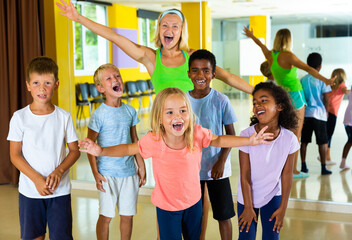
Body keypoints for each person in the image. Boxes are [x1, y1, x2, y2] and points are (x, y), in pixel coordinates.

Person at [79, 87, 273, 240]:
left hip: (193, 203)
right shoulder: (154, 140)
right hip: (166, 208)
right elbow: (129, 149)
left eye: (182, 111)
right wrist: (101, 151)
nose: (177, 116)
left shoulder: (196, 134)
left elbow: (219, 140)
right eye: (170, 112)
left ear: (189, 113)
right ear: (160, 119)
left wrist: (250, 141)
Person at [56, 0, 254, 95]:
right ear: (159, 29)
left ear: (181, 31)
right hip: (164, 126)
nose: (169, 29)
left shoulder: (193, 57)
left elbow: (227, 77)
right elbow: (114, 36)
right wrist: (78, 18)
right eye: (164, 25)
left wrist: (257, 92)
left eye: (175, 26)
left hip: (195, 125)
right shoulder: (150, 57)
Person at [243, 27, 335, 178]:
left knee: (283, 132)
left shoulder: (271, 55)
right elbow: (308, 69)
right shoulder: (288, 55)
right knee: (295, 135)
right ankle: (293, 170)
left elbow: (261, 46)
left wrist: (252, 36)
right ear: (288, 40)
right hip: (296, 95)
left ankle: (279, 167)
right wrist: (326, 80)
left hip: (282, 96)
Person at [7, 57, 80, 240]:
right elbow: (15, 155)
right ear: (28, 85)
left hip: (60, 191)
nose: (42, 88)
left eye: (47, 83)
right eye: (36, 83)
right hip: (30, 192)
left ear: (56, 85)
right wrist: (37, 179)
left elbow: (74, 150)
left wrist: (59, 170)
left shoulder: (64, 117)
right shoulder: (19, 117)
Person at [87, 63, 146, 240]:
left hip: (128, 173)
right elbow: (90, 146)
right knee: (106, 216)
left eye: (117, 76)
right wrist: (96, 173)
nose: (115, 80)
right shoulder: (99, 115)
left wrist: (141, 166)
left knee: (127, 215)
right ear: (100, 88)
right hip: (107, 174)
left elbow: (135, 141)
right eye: (109, 78)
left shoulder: (130, 111)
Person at [237, 81, 299, 240]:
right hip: (246, 197)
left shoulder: (290, 139)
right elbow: (244, 175)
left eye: (263, 100)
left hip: (272, 196)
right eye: (255, 102)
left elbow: (287, 175)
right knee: (246, 238)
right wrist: (248, 207)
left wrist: (283, 208)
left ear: (279, 106)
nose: (257, 105)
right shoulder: (246, 135)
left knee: (271, 237)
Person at [186, 49, 236, 240]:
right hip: (191, 169)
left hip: (217, 169)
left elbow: (231, 135)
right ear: (189, 73)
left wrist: (221, 162)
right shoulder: (183, 100)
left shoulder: (221, 100)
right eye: (195, 70)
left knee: (224, 216)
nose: (200, 75)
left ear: (213, 74)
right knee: (193, 216)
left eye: (206, 71)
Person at [300, 53, 332, 176]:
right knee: (322, 142)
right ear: (320, 66)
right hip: (319, 114)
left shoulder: (303, 79)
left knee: (304, 142)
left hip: (307, 114)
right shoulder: (322, 79)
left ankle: (303, 166)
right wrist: (327, 112)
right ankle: (323, 168)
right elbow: (326, 98)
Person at [326, 68, 350, 163]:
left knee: (328, 135)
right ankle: (326, 157)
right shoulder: (341, 85)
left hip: (326, 112)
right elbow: (346, 91)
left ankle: (327, 157)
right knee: (329, 135)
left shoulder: (330, 85)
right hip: (333, 113)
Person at [340, 87, 352, 170]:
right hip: (349, 121)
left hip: (347, 120)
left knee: (350, 141)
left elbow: (345, 91)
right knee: (350, 141)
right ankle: (343, 163)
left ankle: (343, 163)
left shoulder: (350, 92)